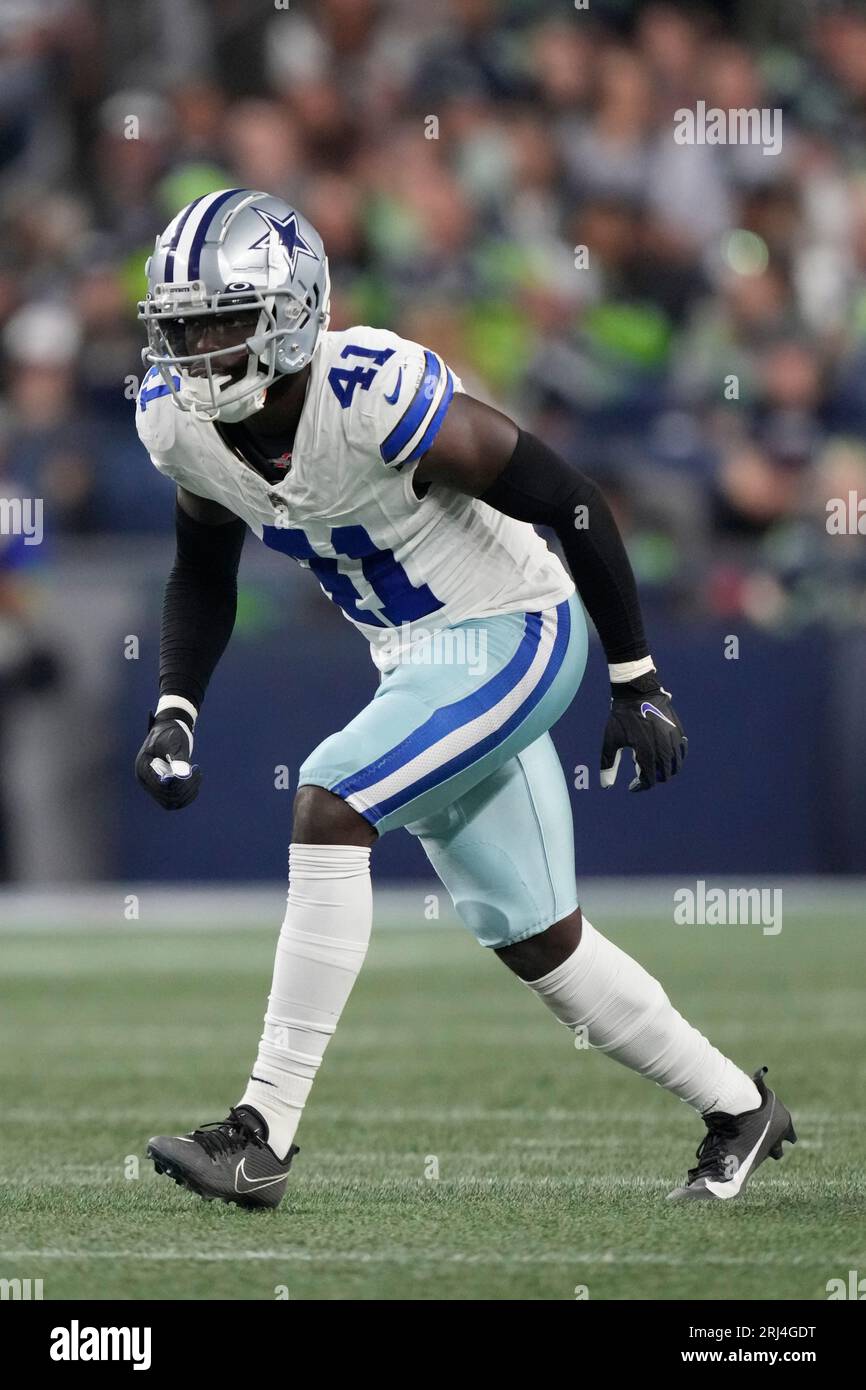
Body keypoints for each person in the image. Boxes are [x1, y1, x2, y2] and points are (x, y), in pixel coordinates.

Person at [134, 189, 795, 1208]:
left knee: (330, 796)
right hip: (413, 661)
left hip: (515, 629)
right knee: (538, 939)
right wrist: (176, 708)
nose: (198, 348)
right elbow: (201, 568)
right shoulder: (180, 424)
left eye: (221, 319)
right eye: (182, 327)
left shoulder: (373, 390)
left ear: (293, 309)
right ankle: (737, 1109)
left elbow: (571, 495)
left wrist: (636, 675)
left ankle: (258, 1134)